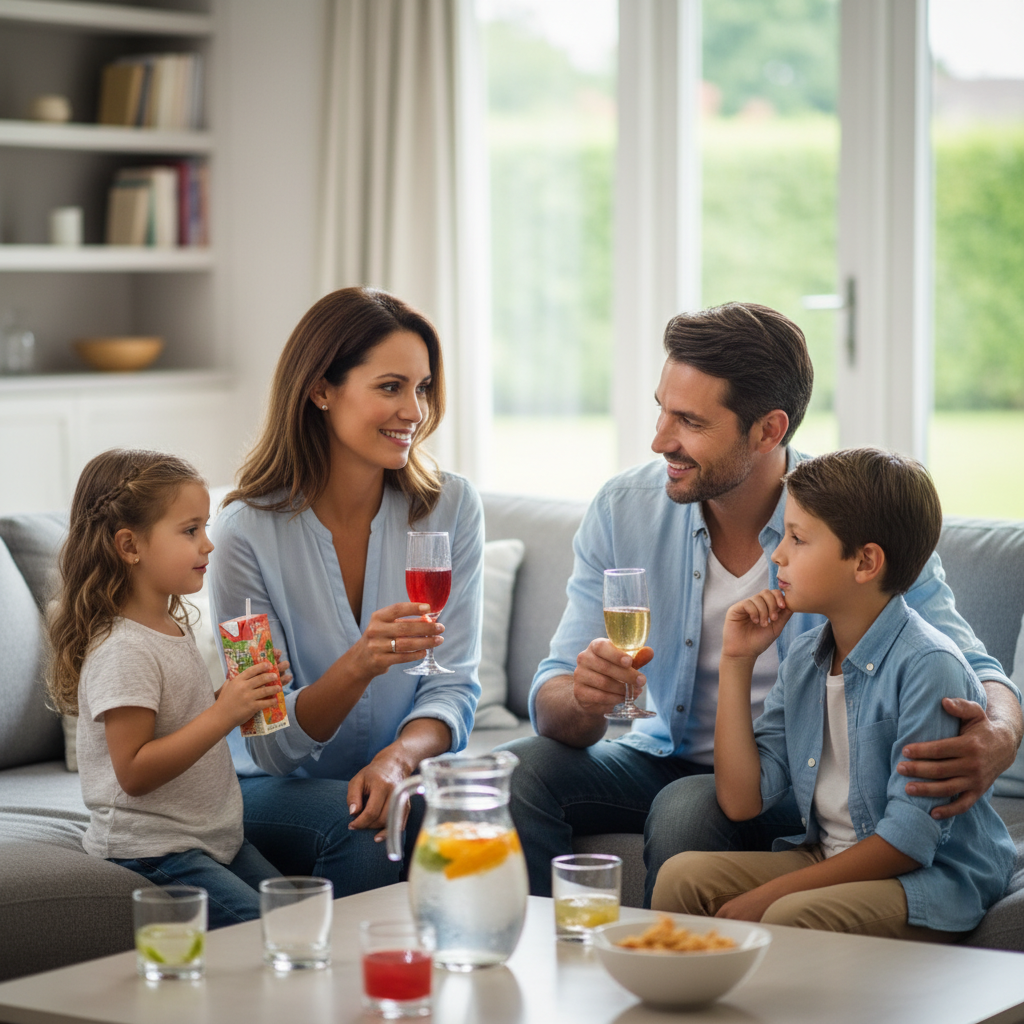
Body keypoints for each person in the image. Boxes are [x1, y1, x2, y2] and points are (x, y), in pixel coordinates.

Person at [503, 301, 1022, 904]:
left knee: (686, 811)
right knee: (517, 772)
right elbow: (554, 700)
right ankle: (545, 965)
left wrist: (1003, 733)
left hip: (786, 778)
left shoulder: (853, 520)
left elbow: (969, 664)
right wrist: (585, 696)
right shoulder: (624, 509)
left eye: (689, 422)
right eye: (661, 410)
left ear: (768, 430)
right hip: (655, 753)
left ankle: (678, 982)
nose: (659, 440)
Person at [651, 448, 1016, 939]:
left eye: (797, 539)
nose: (776, 554)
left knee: (787, 917)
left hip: (928, 879)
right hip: (833, 856)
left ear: (865, 561)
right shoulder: (804, 659)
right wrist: (737, 661)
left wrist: (770, 894)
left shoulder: (930, 668)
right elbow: (741, 801)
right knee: (683, 878)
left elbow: (908, 843)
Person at [208, 286, 483, 897]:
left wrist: (398, 758)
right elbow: (271, 741)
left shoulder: (451, 506)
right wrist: (360, 662)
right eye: (390, 387)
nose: (413, 410)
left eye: (422, 387)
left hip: (401, 772)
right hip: (268, 784)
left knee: (481, 817)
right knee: (363, 829)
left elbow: (452, 684)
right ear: (321, 390)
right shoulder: (241, 533)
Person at [47, 448, 284, 928]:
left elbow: (181, 723)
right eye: (190, 530)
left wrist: (234, 701)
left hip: (209, 839)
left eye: (206, 527)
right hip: (154, 850)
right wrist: (221, 716)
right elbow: (133, 771)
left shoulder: (169, 626)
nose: (208, 546)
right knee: (267, 934)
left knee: (301, 916)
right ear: (130, 546)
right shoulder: (123, 649)